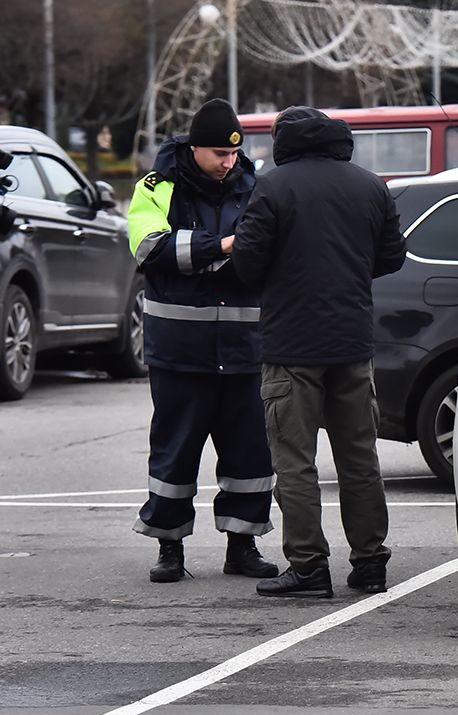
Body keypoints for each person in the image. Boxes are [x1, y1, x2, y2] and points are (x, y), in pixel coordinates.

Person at [233, 106, 407, 598]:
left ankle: (309, 566)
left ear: (284, 141)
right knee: (359, 457)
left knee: (295, 460)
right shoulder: (371, 185)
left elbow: (247, 262)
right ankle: (371, 562)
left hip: (291, 344)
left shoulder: (272, 186)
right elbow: (392, 256)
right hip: (353, 341)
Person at [126, 98, 279, 583]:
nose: (228, 162)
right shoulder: (156, 188)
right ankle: (169, 548)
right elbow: (150, 248)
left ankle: (243, 545)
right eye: (218, 153)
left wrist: (199, 252)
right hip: (179, 351)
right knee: (174, 450)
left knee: (250, 452)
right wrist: (226, 247)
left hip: (244, 350)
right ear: (194, 149)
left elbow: (267, 254)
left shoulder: (258, 189)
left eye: (234, 154)